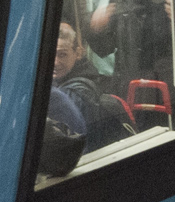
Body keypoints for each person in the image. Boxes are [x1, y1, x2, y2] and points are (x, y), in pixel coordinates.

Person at [89, 0, 174, 107]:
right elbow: (105, 49)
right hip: (126, 87)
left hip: (161, 88)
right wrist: (96, 28)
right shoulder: (119, 0)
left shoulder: (170, 2)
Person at [51, 21, 131, 152]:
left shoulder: (73, 94)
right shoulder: (90, 77)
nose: (55, 62)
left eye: (62, 54)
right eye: (51, 54)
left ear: (78, 53)